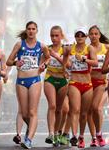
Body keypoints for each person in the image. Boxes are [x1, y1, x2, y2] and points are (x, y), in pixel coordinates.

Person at [6, 21, 50, 149]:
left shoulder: (42, 46)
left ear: (37, 31)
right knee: (24, 113)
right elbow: (8, 61)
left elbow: (47, 58)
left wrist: (44, 65)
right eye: (29, 29)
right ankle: (29, 130)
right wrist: (15, 63)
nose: (31, 31)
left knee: (32, 111)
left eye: (33, 29)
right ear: (26, 30)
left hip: (35, 80)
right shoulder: (20, 44)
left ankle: (29, 140)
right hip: (21, 81)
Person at [63, 27, 98, 148]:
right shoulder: (70, 48)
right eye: (77, 35)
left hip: (87, 84)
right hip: (74, 82)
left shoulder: (90, 48)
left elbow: (95, 62)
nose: (80, 37)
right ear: (75, 37)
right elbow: (66, 63)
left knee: (84, 114)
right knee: (75, 110)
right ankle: (74, 135)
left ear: (86, 37)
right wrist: (66, 65)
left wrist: (83, 58)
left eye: (82, 35)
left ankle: (81, 136)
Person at [44, 25, 68, 147]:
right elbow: (42, 62)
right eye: (52, 35)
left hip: (63, 80)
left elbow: (68, 65)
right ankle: (51, 133)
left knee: (60, 109)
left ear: (61, 36)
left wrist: (56, 56)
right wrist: (44, 63)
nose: (54, 38)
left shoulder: (66, 49)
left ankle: (58, 133)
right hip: (50, 78)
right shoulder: (47, 48)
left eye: (56, 35)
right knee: (52, 105)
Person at [87, 25, 109, 147]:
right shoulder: (86, 49)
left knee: (96, 108)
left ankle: (99, 133)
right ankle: (93, 138)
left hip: (101, 82)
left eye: (96, 33)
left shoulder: (107, 47)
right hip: (89, 82)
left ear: (99, 35)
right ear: (88, 36)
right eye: (91, 34)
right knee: (89, 110)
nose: (94, 36)